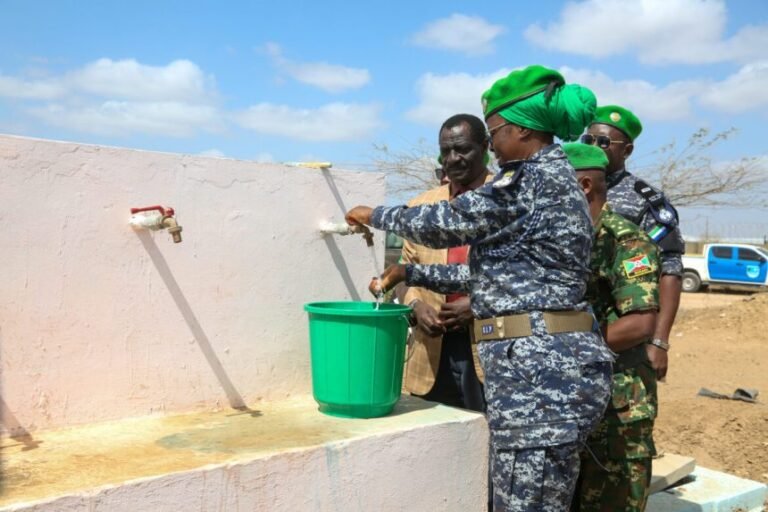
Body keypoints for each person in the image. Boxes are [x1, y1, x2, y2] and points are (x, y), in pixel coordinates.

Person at [346, 65, 613, 511]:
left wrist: (372, 214)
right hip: (542, 372)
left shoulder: (528, 180)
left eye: (495, 133)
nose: (494, 145)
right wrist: (413, 275)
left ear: (521, 131)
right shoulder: (550, 180)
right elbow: (496, 280)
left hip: (539, 379)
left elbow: (446, 224)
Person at [562, 143, 660, 511]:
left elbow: (640, 323)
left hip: (618, 403)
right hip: (573, 397)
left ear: (584, 185)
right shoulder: (565, 240)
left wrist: (566, 349)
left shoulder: (627, 241)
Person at [582, 106, 684, 381]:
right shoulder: (571, 189)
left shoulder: (644, 201)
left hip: (623, 335)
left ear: (626, 151)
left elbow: (670, 270)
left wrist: (659, 341)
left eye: (603, 142)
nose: (594, 146)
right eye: (587, 140)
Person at [400, 113, 493, 413]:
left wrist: (478, 304)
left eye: (463, 149)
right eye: (445, 151)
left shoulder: (508, 200)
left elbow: (530, 277)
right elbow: (405, 273)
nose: (453, 159)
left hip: (488, 349)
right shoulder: (420, 206)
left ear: (485, 147)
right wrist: (415, 306)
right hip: (430, 352)